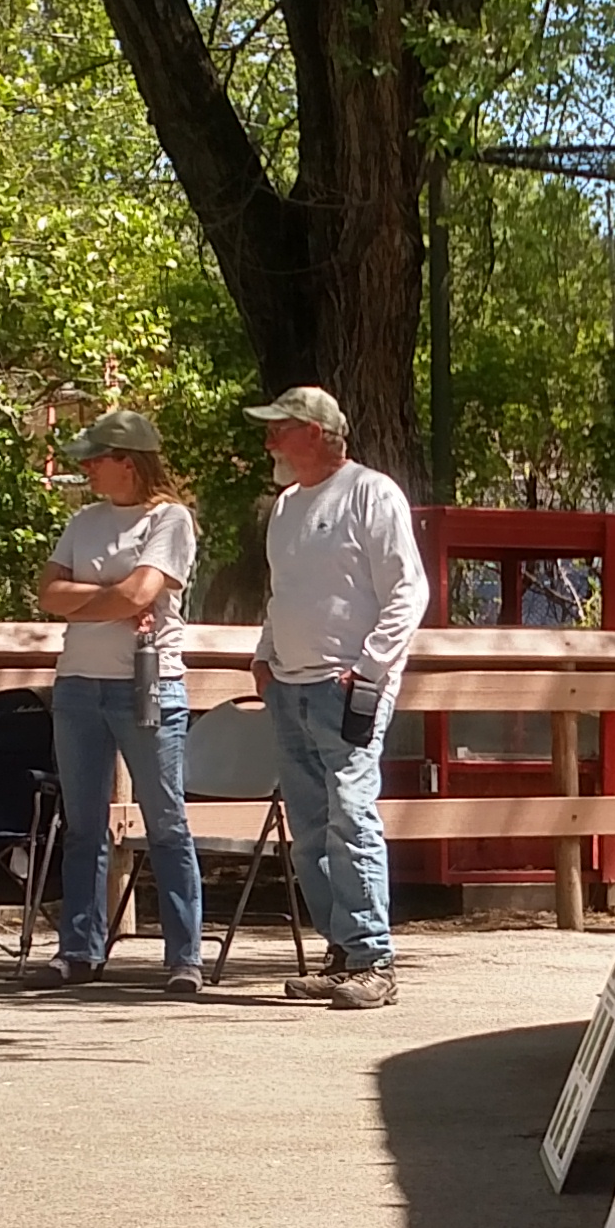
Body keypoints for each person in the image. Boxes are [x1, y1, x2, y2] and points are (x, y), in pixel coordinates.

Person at [245, 384, 424, 1006]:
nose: (269, 439)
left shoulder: (372, 493)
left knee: (351, 815)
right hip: (290, 686)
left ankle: (374, 958)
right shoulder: (288, 505)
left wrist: (370, 667)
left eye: (279, 428)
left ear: (316, 433)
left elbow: (408, 590)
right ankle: (343, 950)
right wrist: (265, 654)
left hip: (346, 686)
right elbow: (285, 591)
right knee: (312, 826)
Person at [28, 410, 207, 993]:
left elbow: (144, 591)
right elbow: (48, 593)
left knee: (165, 823)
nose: (86, 468)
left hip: (146, 683)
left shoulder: (170, 520)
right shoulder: (83, 521)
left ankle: (184, 958)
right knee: (82, 824)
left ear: (126, 462)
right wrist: (114, 599)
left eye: (95, 459)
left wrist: (101, 597)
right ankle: (79, 951)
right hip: (77, 683)